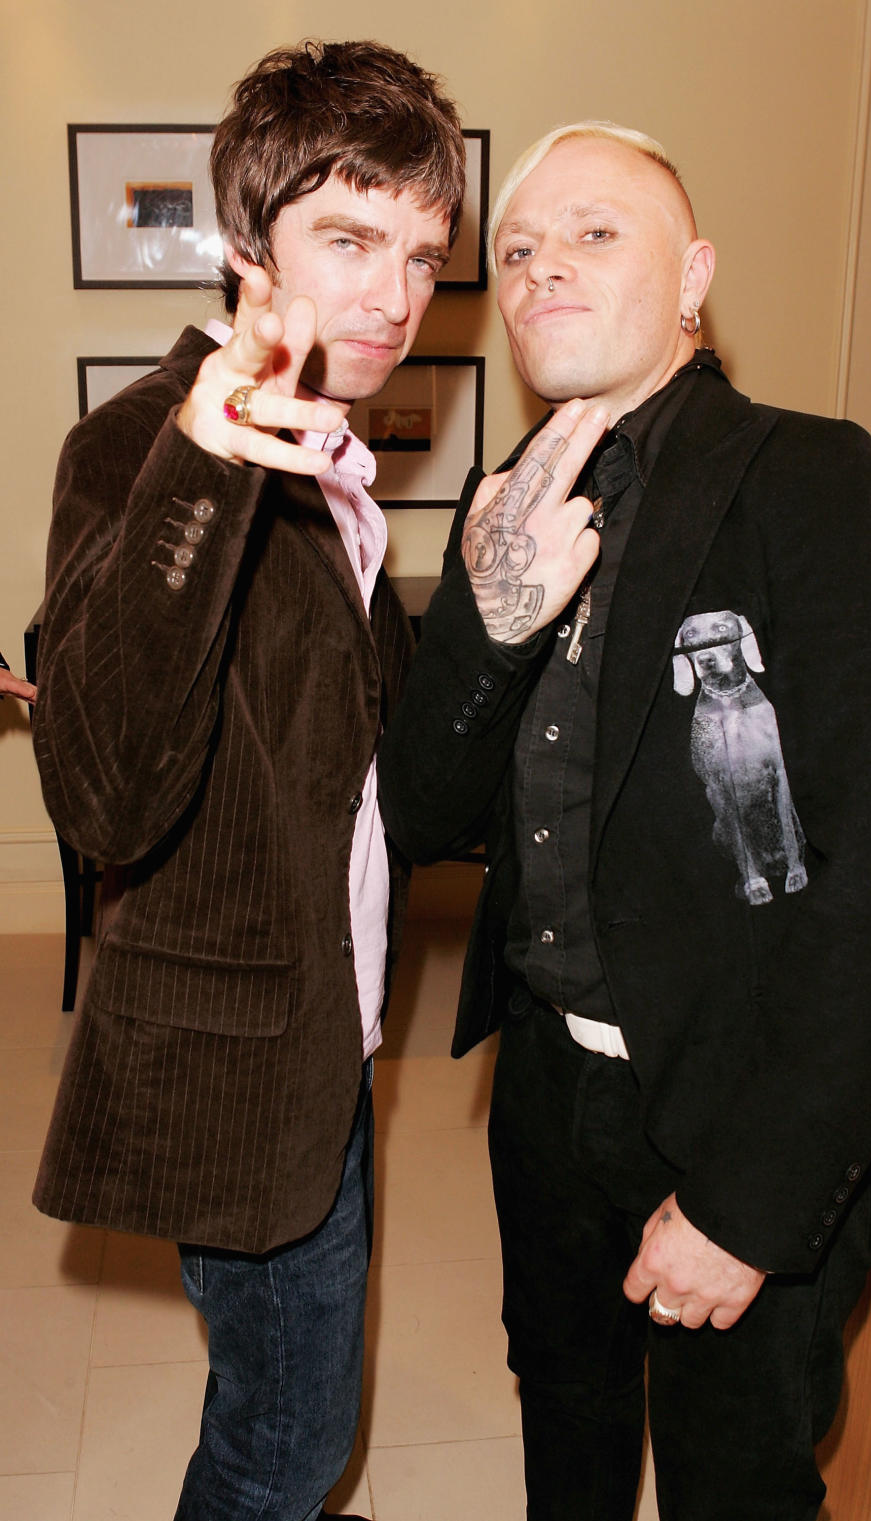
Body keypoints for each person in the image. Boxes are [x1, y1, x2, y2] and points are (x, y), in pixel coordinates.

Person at [377, 122, 871, 1521]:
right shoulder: (500, 502)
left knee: (735, 1479)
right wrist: (489, 622)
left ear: (693, 275)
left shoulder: (816, 483)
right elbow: (418, 807)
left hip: (742, 1098)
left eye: (593, 233)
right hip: (546, 1098)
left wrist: (753, 1204)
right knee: (563, 1426)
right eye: (515, 252)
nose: (539, 270)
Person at [31, 40, 464, 1521]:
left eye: (419, 253)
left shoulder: (338, 463)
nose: (395, 297)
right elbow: (102, 798)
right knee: (285, 1446)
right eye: (350, 239)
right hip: (237, 1061)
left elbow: (354, 744)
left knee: (276, 1410)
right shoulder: (137, 444)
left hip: (327, 1015)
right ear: (241, 249)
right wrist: (202, 472)